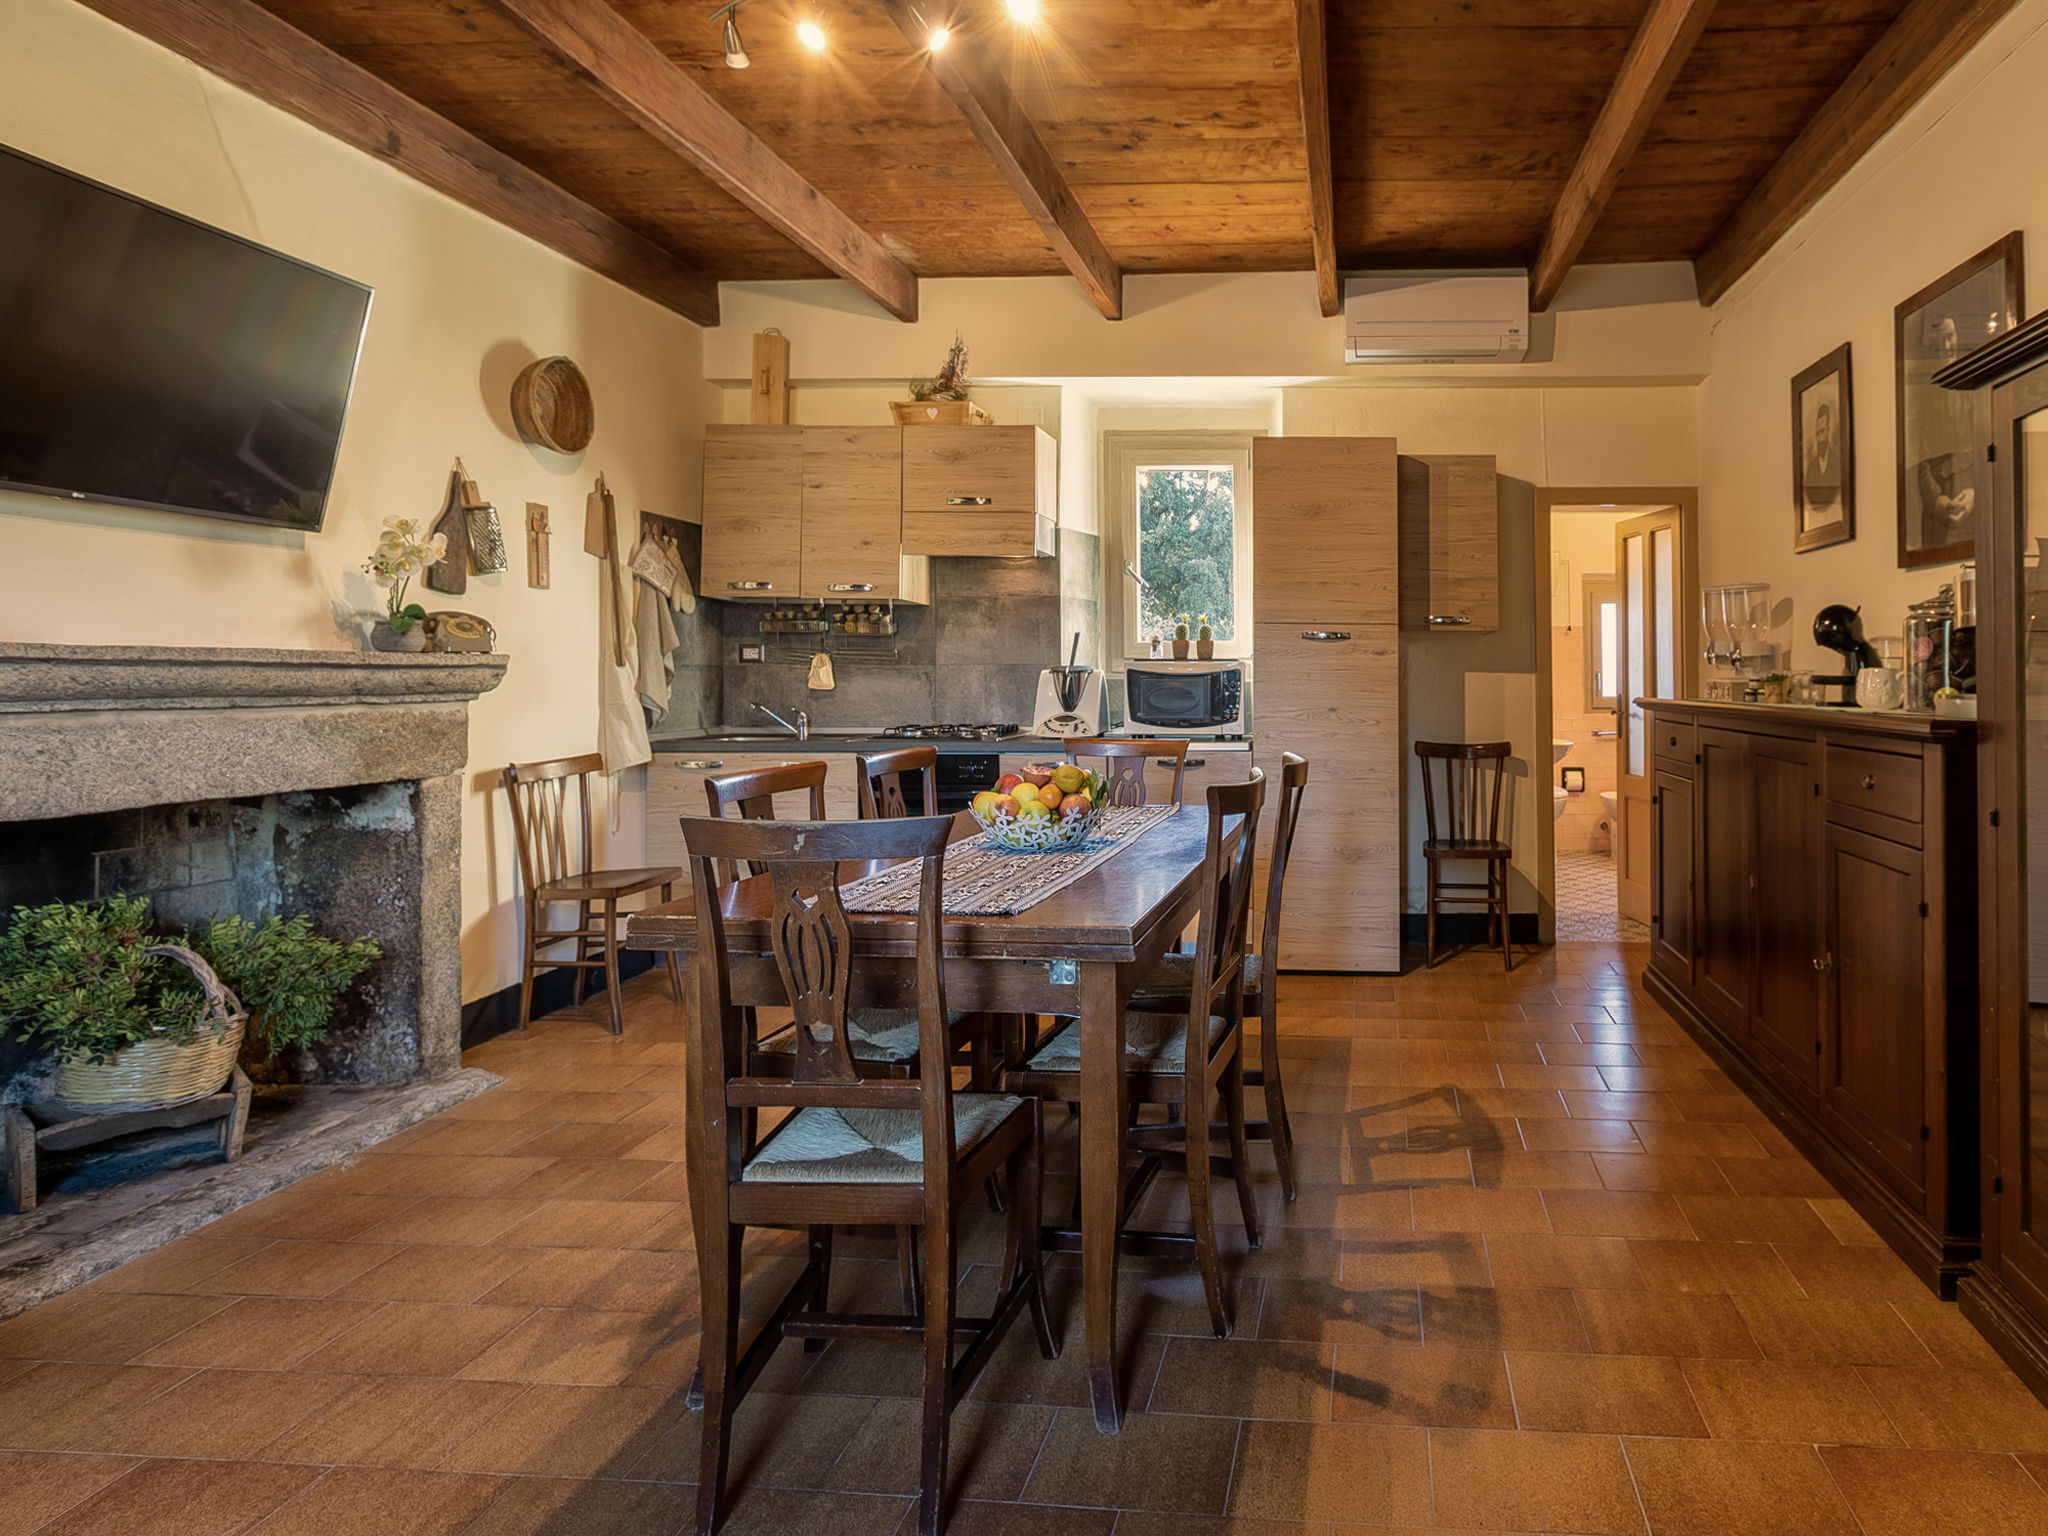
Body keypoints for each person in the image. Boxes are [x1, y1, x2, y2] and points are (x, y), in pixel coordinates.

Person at [1802, 396, 1841, 526]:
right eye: (1817, 433)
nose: (1820, 438)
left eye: (1823, 431)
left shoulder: (1837, 463)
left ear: (1829, 431)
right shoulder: (1812, 468)